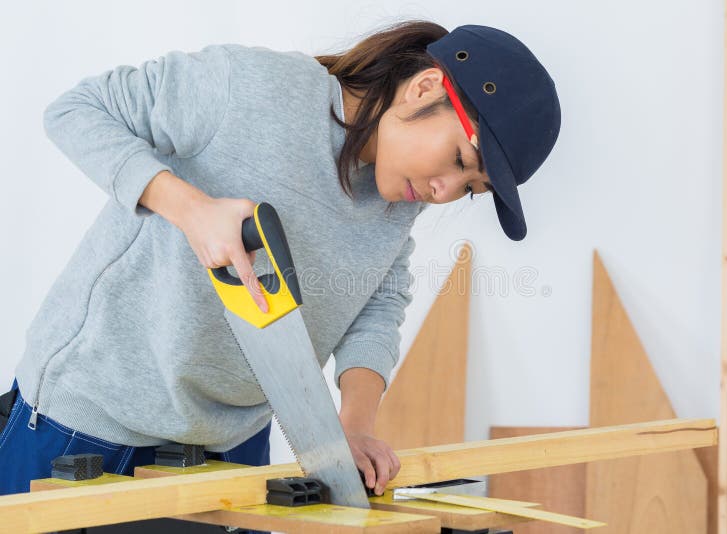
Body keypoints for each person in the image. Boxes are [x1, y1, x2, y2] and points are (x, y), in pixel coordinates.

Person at [0, 19, 560, 505]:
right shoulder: (248, 86)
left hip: (230, 446)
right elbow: (77, 109)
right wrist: (192, 210)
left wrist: (354, 427)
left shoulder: (397, 201)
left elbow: (377, 302)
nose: (444, 190)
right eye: (460, 159)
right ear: (424, 88)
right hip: (90, 425)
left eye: (469, 188)